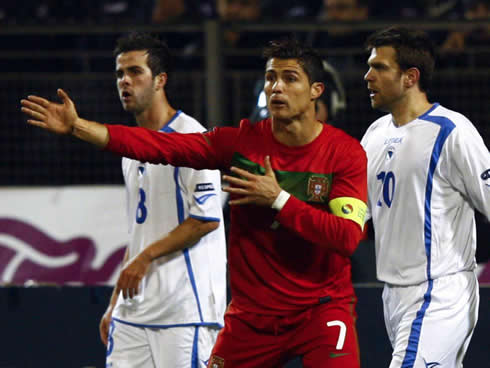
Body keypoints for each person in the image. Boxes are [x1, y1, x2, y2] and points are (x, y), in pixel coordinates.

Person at [21, 38, 367, 367]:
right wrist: (78, 126)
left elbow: (347, 237)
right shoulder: (239, 144)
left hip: (320, 310)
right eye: (270, 77)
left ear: (316, 91)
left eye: (289, 78)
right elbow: (158, 146)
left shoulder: (345, 153)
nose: (276, 87)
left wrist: (278, 199)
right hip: (252, 318)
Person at [64, 32, 228, 368]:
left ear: (160, 80)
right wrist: (113, 304)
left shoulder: (194, 139)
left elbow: (206, 219)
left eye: (136, 72)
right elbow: (140, 235)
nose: (125, 81)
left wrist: (145, 258)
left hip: (184, 311)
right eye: (120, 74)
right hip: (133, 312)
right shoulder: (129, 151)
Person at [361, 26, 490, 367]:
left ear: (410, 77)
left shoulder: (452, 131)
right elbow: (358, 213)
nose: (367, 76)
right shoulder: (374, 134)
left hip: (440, 291)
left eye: (379, 67)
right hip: (392, 294)